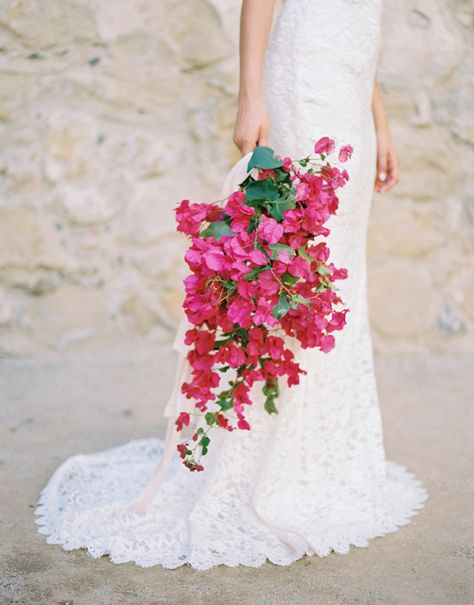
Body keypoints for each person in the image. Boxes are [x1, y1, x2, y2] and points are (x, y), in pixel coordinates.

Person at [35, 0, 428, 570]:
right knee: (292, 264)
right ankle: (255, 460)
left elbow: (359, 27)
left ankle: (319, 460)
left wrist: (381, 123)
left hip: (350, 106)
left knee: (337, 276)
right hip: (302, 88)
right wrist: (251, 94)